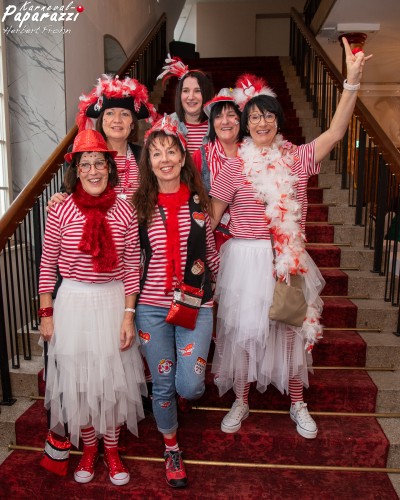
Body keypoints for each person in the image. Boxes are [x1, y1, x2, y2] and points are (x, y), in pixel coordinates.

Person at [209, 38, 372, 438]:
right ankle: (241, 399)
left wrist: (351, 83)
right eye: (254, 117)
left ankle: (297, 402)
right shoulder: (233, 167)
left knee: (291, 331)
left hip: (286, 255)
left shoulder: (296, 159)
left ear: (279, 122)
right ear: (245, 125)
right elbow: (211, 218)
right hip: (245, 261)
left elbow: (336, 132)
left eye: (268, 116)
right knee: (244, 333)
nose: (261, 123)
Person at [39, 129, 146, 485]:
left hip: (113, 301)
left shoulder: (125, 209)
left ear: (109, 168)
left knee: (112, 382)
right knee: (80, 382)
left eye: (100, 163)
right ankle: (88, 449)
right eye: (86, 164)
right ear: (76, 170)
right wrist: (46, 312)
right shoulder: (61, 208)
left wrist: (129, 315)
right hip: (73, 302)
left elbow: (132, 266)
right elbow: (47, 263)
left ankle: (111, 451)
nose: (94, 170)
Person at [133, 115, 219, 488]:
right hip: (151, 308)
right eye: (156, 153)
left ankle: (179, 393)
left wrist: (218, 297)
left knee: (190, 386)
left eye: (171, 151)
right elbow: (129, 256)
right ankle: (171, 448)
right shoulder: (138, 205)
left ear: (183, 158)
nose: (165, 159)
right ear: (149, 162)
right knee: (164, 383)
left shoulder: (200, 203)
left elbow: (210, 254)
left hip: (195, 304)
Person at [192, 88, 244, 250]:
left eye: (231, 115)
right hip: (211, 240)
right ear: (212, 123)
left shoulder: (254, 154)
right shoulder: (201, 156)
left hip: (247, 239)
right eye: (218, 116)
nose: (225, 121)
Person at [157, 55, 213, 154]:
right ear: (180, 95)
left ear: (206, 94)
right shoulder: (165, 125)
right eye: (186, 91)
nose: (191, 97)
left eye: (197, 91)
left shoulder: (217, 125)